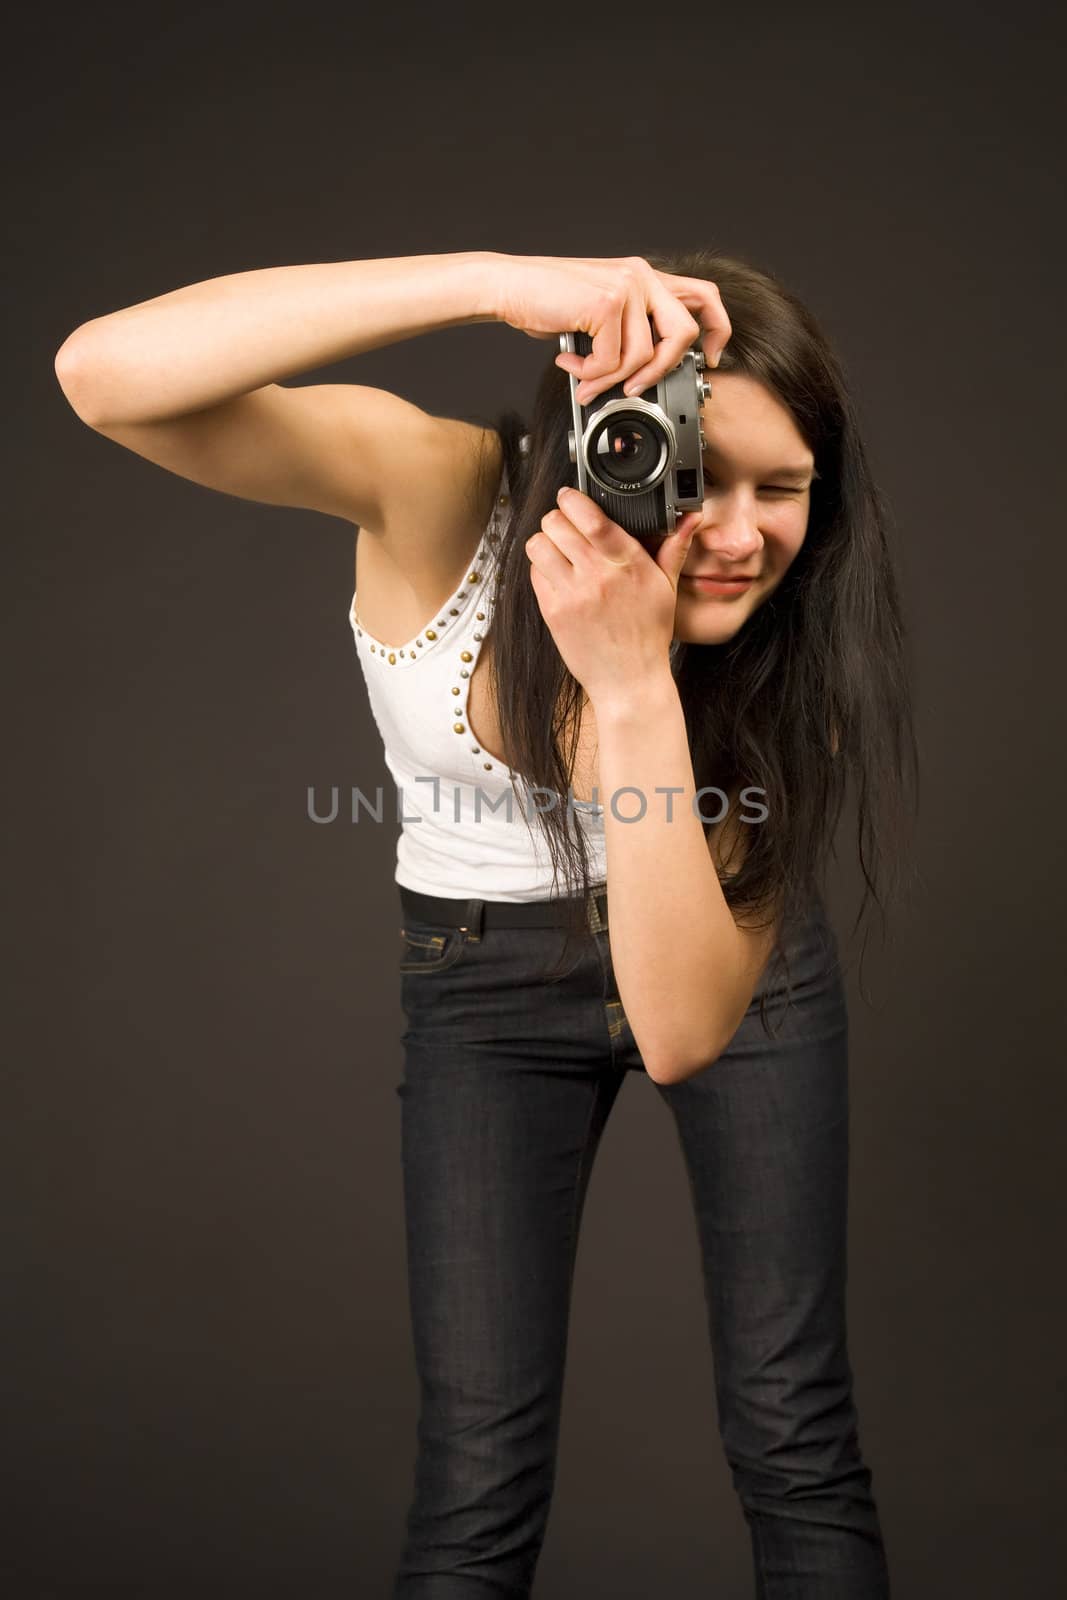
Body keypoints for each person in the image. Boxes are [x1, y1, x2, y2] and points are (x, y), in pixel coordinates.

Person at [54, 248, 918, 1597]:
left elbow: (685, 1026)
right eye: (693, 475)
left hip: (720, 960)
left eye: (784, 487)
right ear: (601, 442)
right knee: (477, 1469)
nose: (740, 534)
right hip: (477, 979)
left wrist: (634, 685)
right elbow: (102, 378)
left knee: (794, 1436)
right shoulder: (453, 494)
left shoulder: (784, 670)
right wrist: (492, 278)